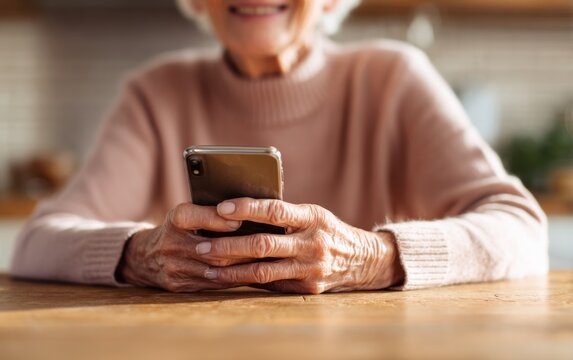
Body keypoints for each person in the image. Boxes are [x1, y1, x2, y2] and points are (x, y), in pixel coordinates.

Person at [10, 0, 548, 294]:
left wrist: (370, 259)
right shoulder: (156, 92)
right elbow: (36, 241)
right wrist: (140, 256)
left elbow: (522, 228)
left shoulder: (394, 77)